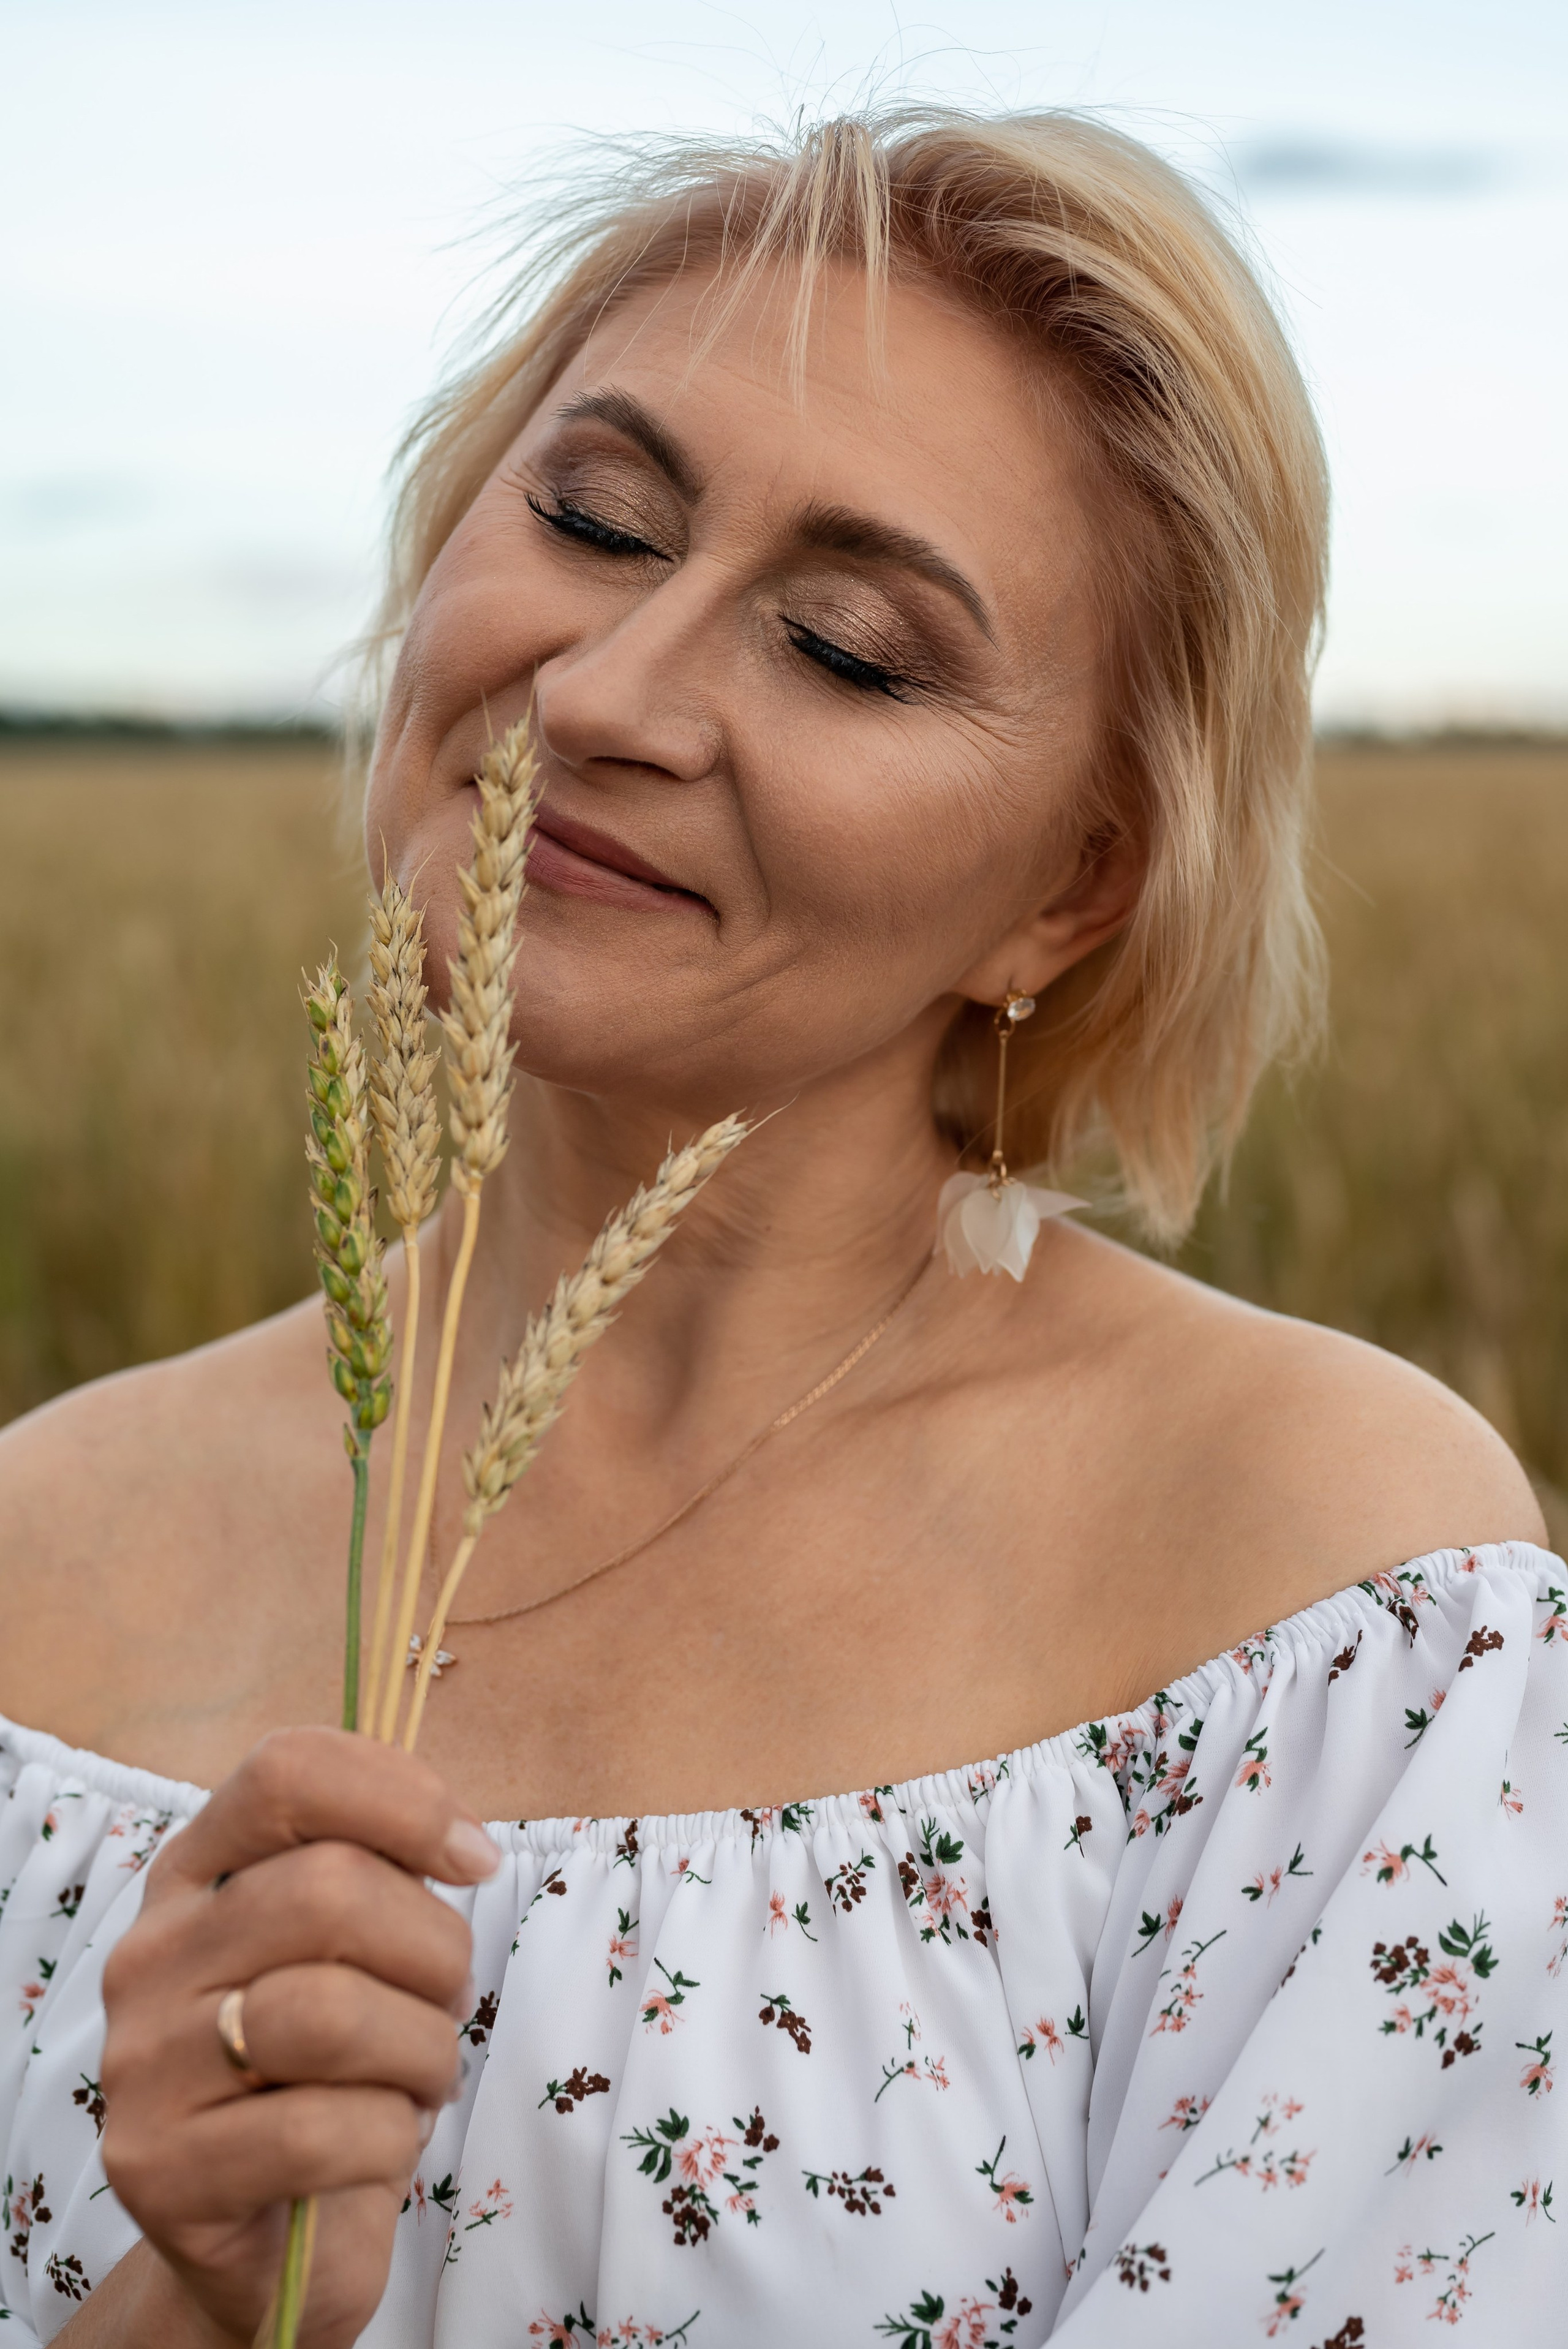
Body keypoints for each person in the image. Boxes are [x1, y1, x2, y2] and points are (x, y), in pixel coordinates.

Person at [0, 106, 1558, 2349]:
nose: (612, 694)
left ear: (1070, 887)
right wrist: (195, 2292)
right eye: (591, 517)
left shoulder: (1333, 1599)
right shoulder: (42, 1551)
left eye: (846, 650)